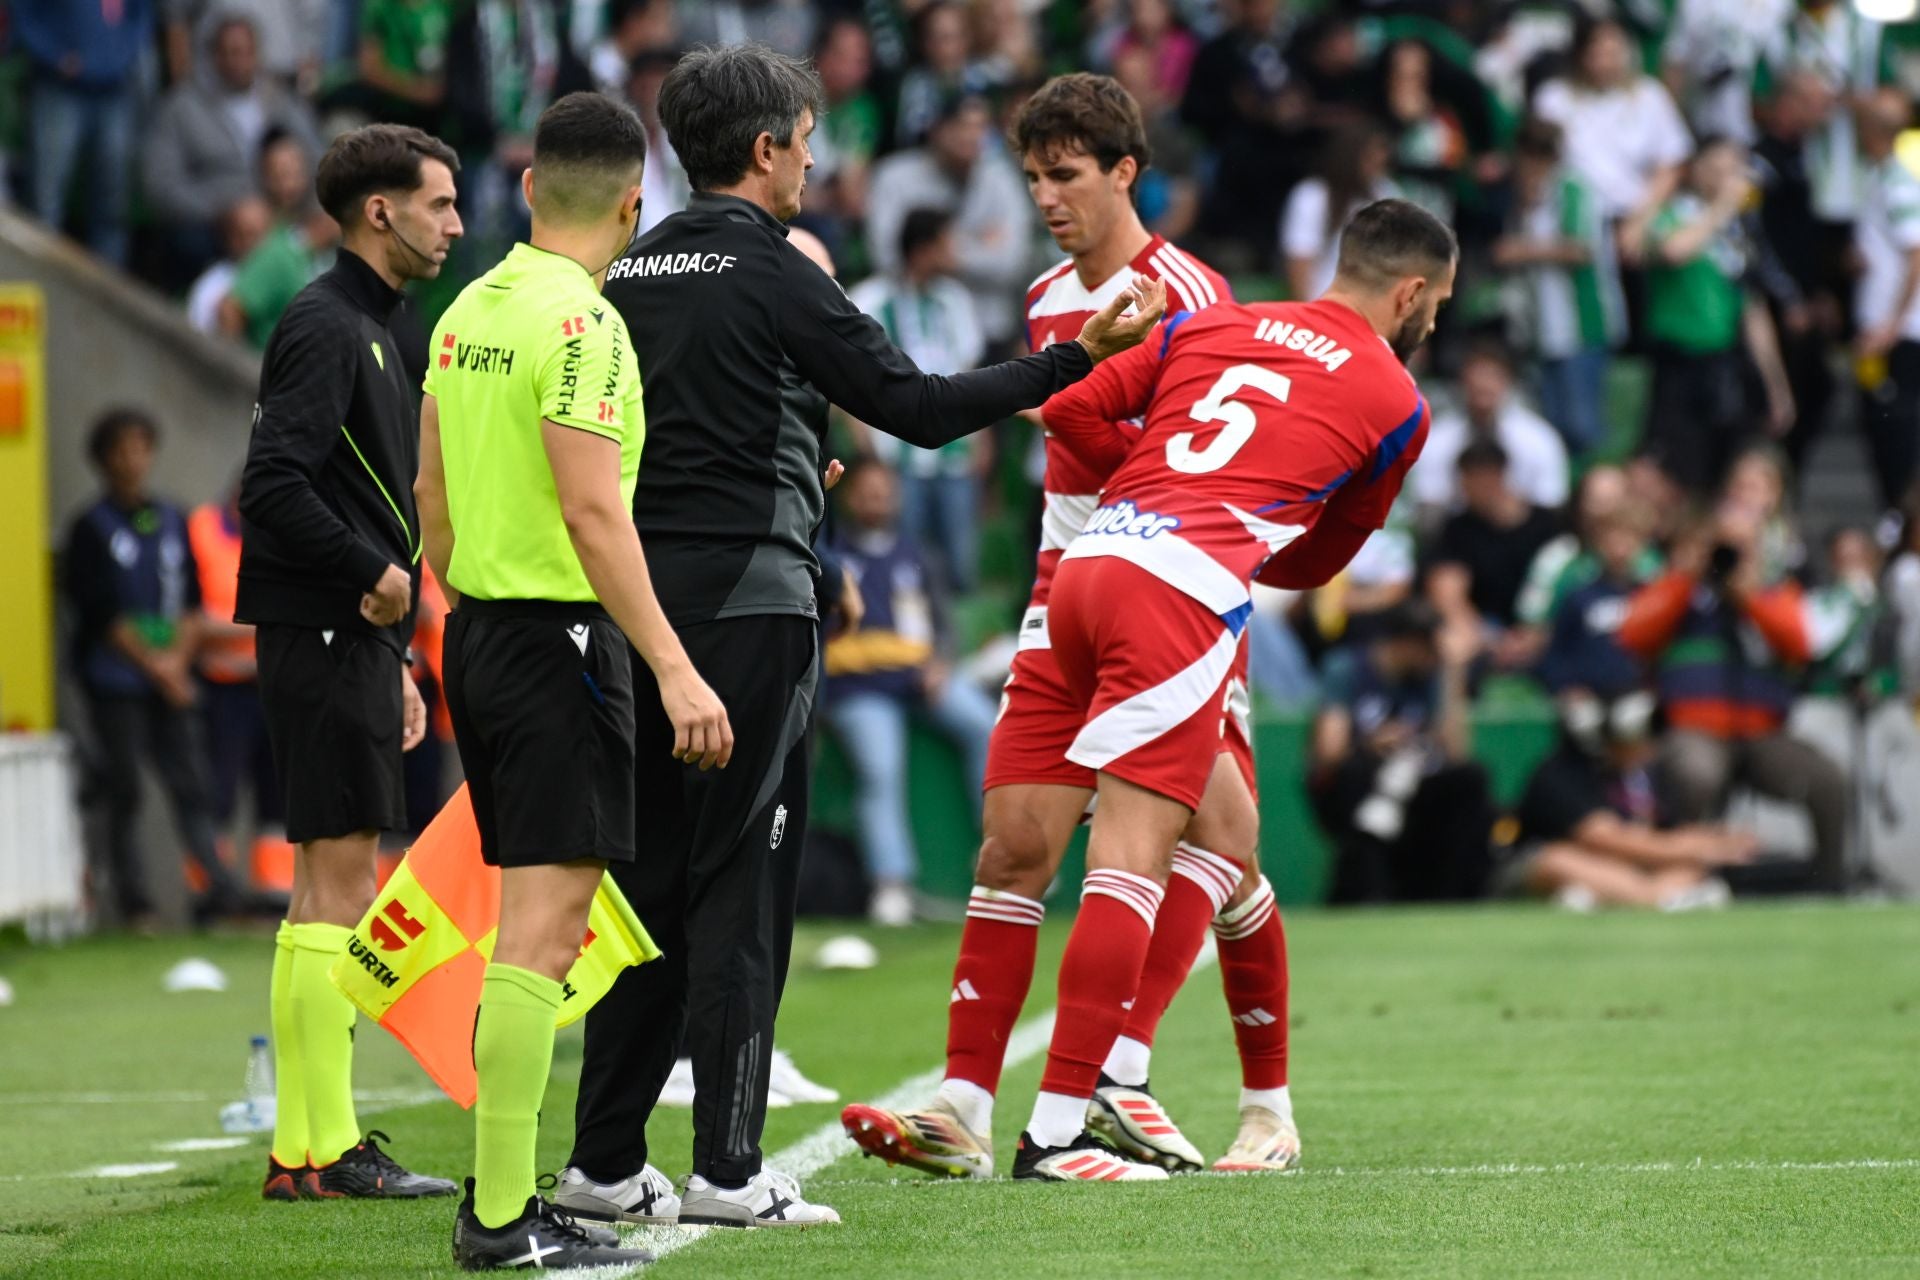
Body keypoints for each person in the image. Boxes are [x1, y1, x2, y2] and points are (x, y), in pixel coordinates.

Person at [560, 44, 1162, 1231]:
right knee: (741, 882)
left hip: (632, 612)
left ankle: (601, 1157)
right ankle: (728, 1170)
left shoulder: (621, 272)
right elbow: (921, 410)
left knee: (640, 891)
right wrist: (1070, 358)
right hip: (750, 610)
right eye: (806, 137)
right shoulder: (775, 270)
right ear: (769, 146)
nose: (815, 158)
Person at [842, 73, 1300, 1186]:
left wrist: (1077, 390)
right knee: (1016, 841)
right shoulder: (1051, 296)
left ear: (1126, 171)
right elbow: (1058, 446)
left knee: (1215, 838)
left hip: (1175, 587)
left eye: (1068, 174)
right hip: (1066, 587)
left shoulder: (1193, 291)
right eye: (1034, 175)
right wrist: (1071, 381)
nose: (1047, 196)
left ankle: (1163, 1085)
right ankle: (962, 1104)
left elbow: (1189, 457)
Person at [999, 198, 1454, 1178]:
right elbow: (1318, 561)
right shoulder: (1396, 398)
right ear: (1411, 292)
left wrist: (1155, 485)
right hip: (1181, 590)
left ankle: (1267, 1111)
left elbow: (1069, 408)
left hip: (1088, 567)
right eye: (1439, 304)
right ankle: (1061, 1126)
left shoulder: (1214, 320)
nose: (1435, 322)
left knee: (1231, 835)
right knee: (1128, 857)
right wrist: (1214, 516)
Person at [417, 91, 708, 1272]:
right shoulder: (586, 328)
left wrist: (467, 604)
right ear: (635, 207)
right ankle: (499, 1218)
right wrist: (675, 669)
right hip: (558, 642)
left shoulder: (466, 308)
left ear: (531, 188)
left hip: (477, 632)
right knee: (542, 935)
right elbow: (594, 512)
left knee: (527, 930)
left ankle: (498, 1199)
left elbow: (429, 495)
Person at [235, 124, 464, 1204]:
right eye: (441, 203)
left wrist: (397, 650)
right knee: (335, 887)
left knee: (334, 887)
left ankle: (312, 1141)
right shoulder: (328, 324)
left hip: (348, 636)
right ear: (381, 211)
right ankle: (317, 1149)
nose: (456, 224)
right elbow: (270, 485)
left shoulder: (379, 323)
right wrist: (373, 577)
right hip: (322, 627)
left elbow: (344, 486)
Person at [63, 409, 246, 926]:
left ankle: (218, 891)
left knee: (193, 784)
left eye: (141, 447)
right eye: (121, 449)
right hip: (116, 681)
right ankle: (134, 903)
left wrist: (177, 660)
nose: (133, 460)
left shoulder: (172, 519)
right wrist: (160, 668)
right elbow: (101, 614)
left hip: (171, 675)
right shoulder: (89, 529)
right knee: (126, 789)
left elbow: (191, 600)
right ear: (103, 459)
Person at [1617, 503, 1850, 892]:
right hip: (1694, 729)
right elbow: (1632, 634)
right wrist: (1687, 579)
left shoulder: (1774, 590)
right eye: (1723, 546)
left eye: (1742, 546)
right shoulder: (1680, 589)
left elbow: (1800, 644)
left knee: (1829, 781)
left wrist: (1749, 594)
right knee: (1695, 774)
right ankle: (1686, 882)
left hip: (1763, 735)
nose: (1729, 556)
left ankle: (1828, 887)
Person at [822, 458, 997, 925]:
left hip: (922, 680)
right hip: (858, 689)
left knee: (987, 724)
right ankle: (891, 885)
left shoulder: (917, 554)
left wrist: (941, 664)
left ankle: (1001, 857)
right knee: (880, 767)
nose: (876, 499)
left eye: (885, 491)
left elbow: (944, 626)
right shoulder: (830, 555)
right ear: (849, 496)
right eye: (867, 491)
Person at [1640, 137, 1795, 495]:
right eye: (1720, 169)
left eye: (1734, 169)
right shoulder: (1673, 214)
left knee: (1727, 469)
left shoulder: (1737, 230)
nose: (1729, 178)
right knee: (1678, 470)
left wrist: (1776, 385)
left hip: (1724, 363)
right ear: (1698, 170)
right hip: (1677, 361)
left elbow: (1752, 309)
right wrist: (1723, 206)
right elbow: (1674, 251)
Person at [1313, 600, 1492, 906]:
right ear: (1408, 644)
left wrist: (1453, 675)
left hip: (1418, 778)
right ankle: (1366, 894)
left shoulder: (1433, 676)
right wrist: (1372, 742)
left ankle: (1454, 897)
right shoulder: (1347, 668)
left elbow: (1457, 752)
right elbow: (1329, 751)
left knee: (1469, 779)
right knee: (1363, 780)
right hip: (1359, 779)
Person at [1505, 691, 1754, 911]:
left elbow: (1668, 831)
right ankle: (1656, 900)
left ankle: (1626, 899)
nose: (1647, 746)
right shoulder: (1560, 772)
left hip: (1633, 870)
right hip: (1562, 864)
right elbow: (1602, 838)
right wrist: (1695, 848)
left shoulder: (1649, 775)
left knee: (1690, 865)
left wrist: (1710, 843)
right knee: (1558, 861)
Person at [847, 208, 989, 592]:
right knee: (904, 564)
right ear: (923, 250)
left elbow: (973, 376)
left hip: (955, 456)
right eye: (946, 244)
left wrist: (984, 441)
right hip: (896, 458)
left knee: (961, 565)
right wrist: (868, 452)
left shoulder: (955, 301)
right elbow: (849, 379)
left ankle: (953, 647)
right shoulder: (871, 300)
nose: (955, 252)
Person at [142, 13, 322, 277]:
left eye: (247, 52)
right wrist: (224, 210)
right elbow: (160, 184)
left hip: (284, 214)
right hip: (212, 224)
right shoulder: (182, 107)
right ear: (214, 56)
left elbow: (317, 156)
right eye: (231, 52)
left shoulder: (280, 101)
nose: (239, 61)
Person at [1492, 117, 1626, 454]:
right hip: (1542, 331)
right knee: (1552, 426)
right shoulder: (1528, 195)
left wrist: (1522, 251)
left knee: (1581, 425)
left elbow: (1580, 248)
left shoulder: (1572, 188)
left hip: (1581, 325)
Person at [866, 92, 1033, 347]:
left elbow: (1012, 262)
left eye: (980, 126)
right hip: (912, 334)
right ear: (936, 130)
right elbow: (887, 255)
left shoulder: (1001, 180)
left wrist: (937, 250)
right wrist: (976, 243)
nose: (971, 136)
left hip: (990, 332)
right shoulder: (896, 176)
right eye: (961, 125)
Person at [1531, 17, 1692, 264]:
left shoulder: (1649, 96)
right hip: (1572, 221)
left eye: (1614, 52)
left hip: (1634, 217)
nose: (1607, 63)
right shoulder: (1555, 98)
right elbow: (1536, 158)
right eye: (1598, 53)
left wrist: (1640, 221)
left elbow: (1671, 163)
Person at [14, 0, 149, 266]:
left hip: (114, 89)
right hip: (59, 88)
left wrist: (123, 54)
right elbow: (23, 13)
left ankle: (109, 293)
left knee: (112, 204)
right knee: (46, 199)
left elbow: (141, 15)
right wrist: (54, 55)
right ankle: (42, 278)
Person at [1424, 440, 1562, 673]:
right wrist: (1488, 638)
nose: (1464, 488)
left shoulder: (1546, 525)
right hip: (1486, 631)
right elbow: (1447, 590)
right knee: (1452, 643)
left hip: (1545, 627)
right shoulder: (1458, 530)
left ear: (1497, 476)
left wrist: (1533, 634)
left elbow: (1567, 582)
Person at [1851, 89, 1920, 514]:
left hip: (1897, 334)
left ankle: (1901, 517)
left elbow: (1916, 253)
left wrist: (1891, 325)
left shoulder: (1897, 182)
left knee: (1895, 430)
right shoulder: (1880, 177)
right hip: (1885, 329)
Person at [1413, 342, 1569, 520]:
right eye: (1476, 376)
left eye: (1492, 376)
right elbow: (1428, 502)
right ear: (1462, 382)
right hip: (1456, 534)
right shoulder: (1437, 438)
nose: (1483, 384)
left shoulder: (1539, 438)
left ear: (1508, 381)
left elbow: (1551, 501)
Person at [1280, 122, 1397, 302]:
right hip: (1321, 303)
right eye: (1370, 157)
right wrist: (1307, 313)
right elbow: (1299, 262)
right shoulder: (1312, 196)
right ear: (1350, 156)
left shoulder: (1386, 193)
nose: (1378, 162)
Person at [187, 196, 272, 335]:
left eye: (255, 234)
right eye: (240, 234)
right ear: (228, 237)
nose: (247, 242)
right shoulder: (211, 287)